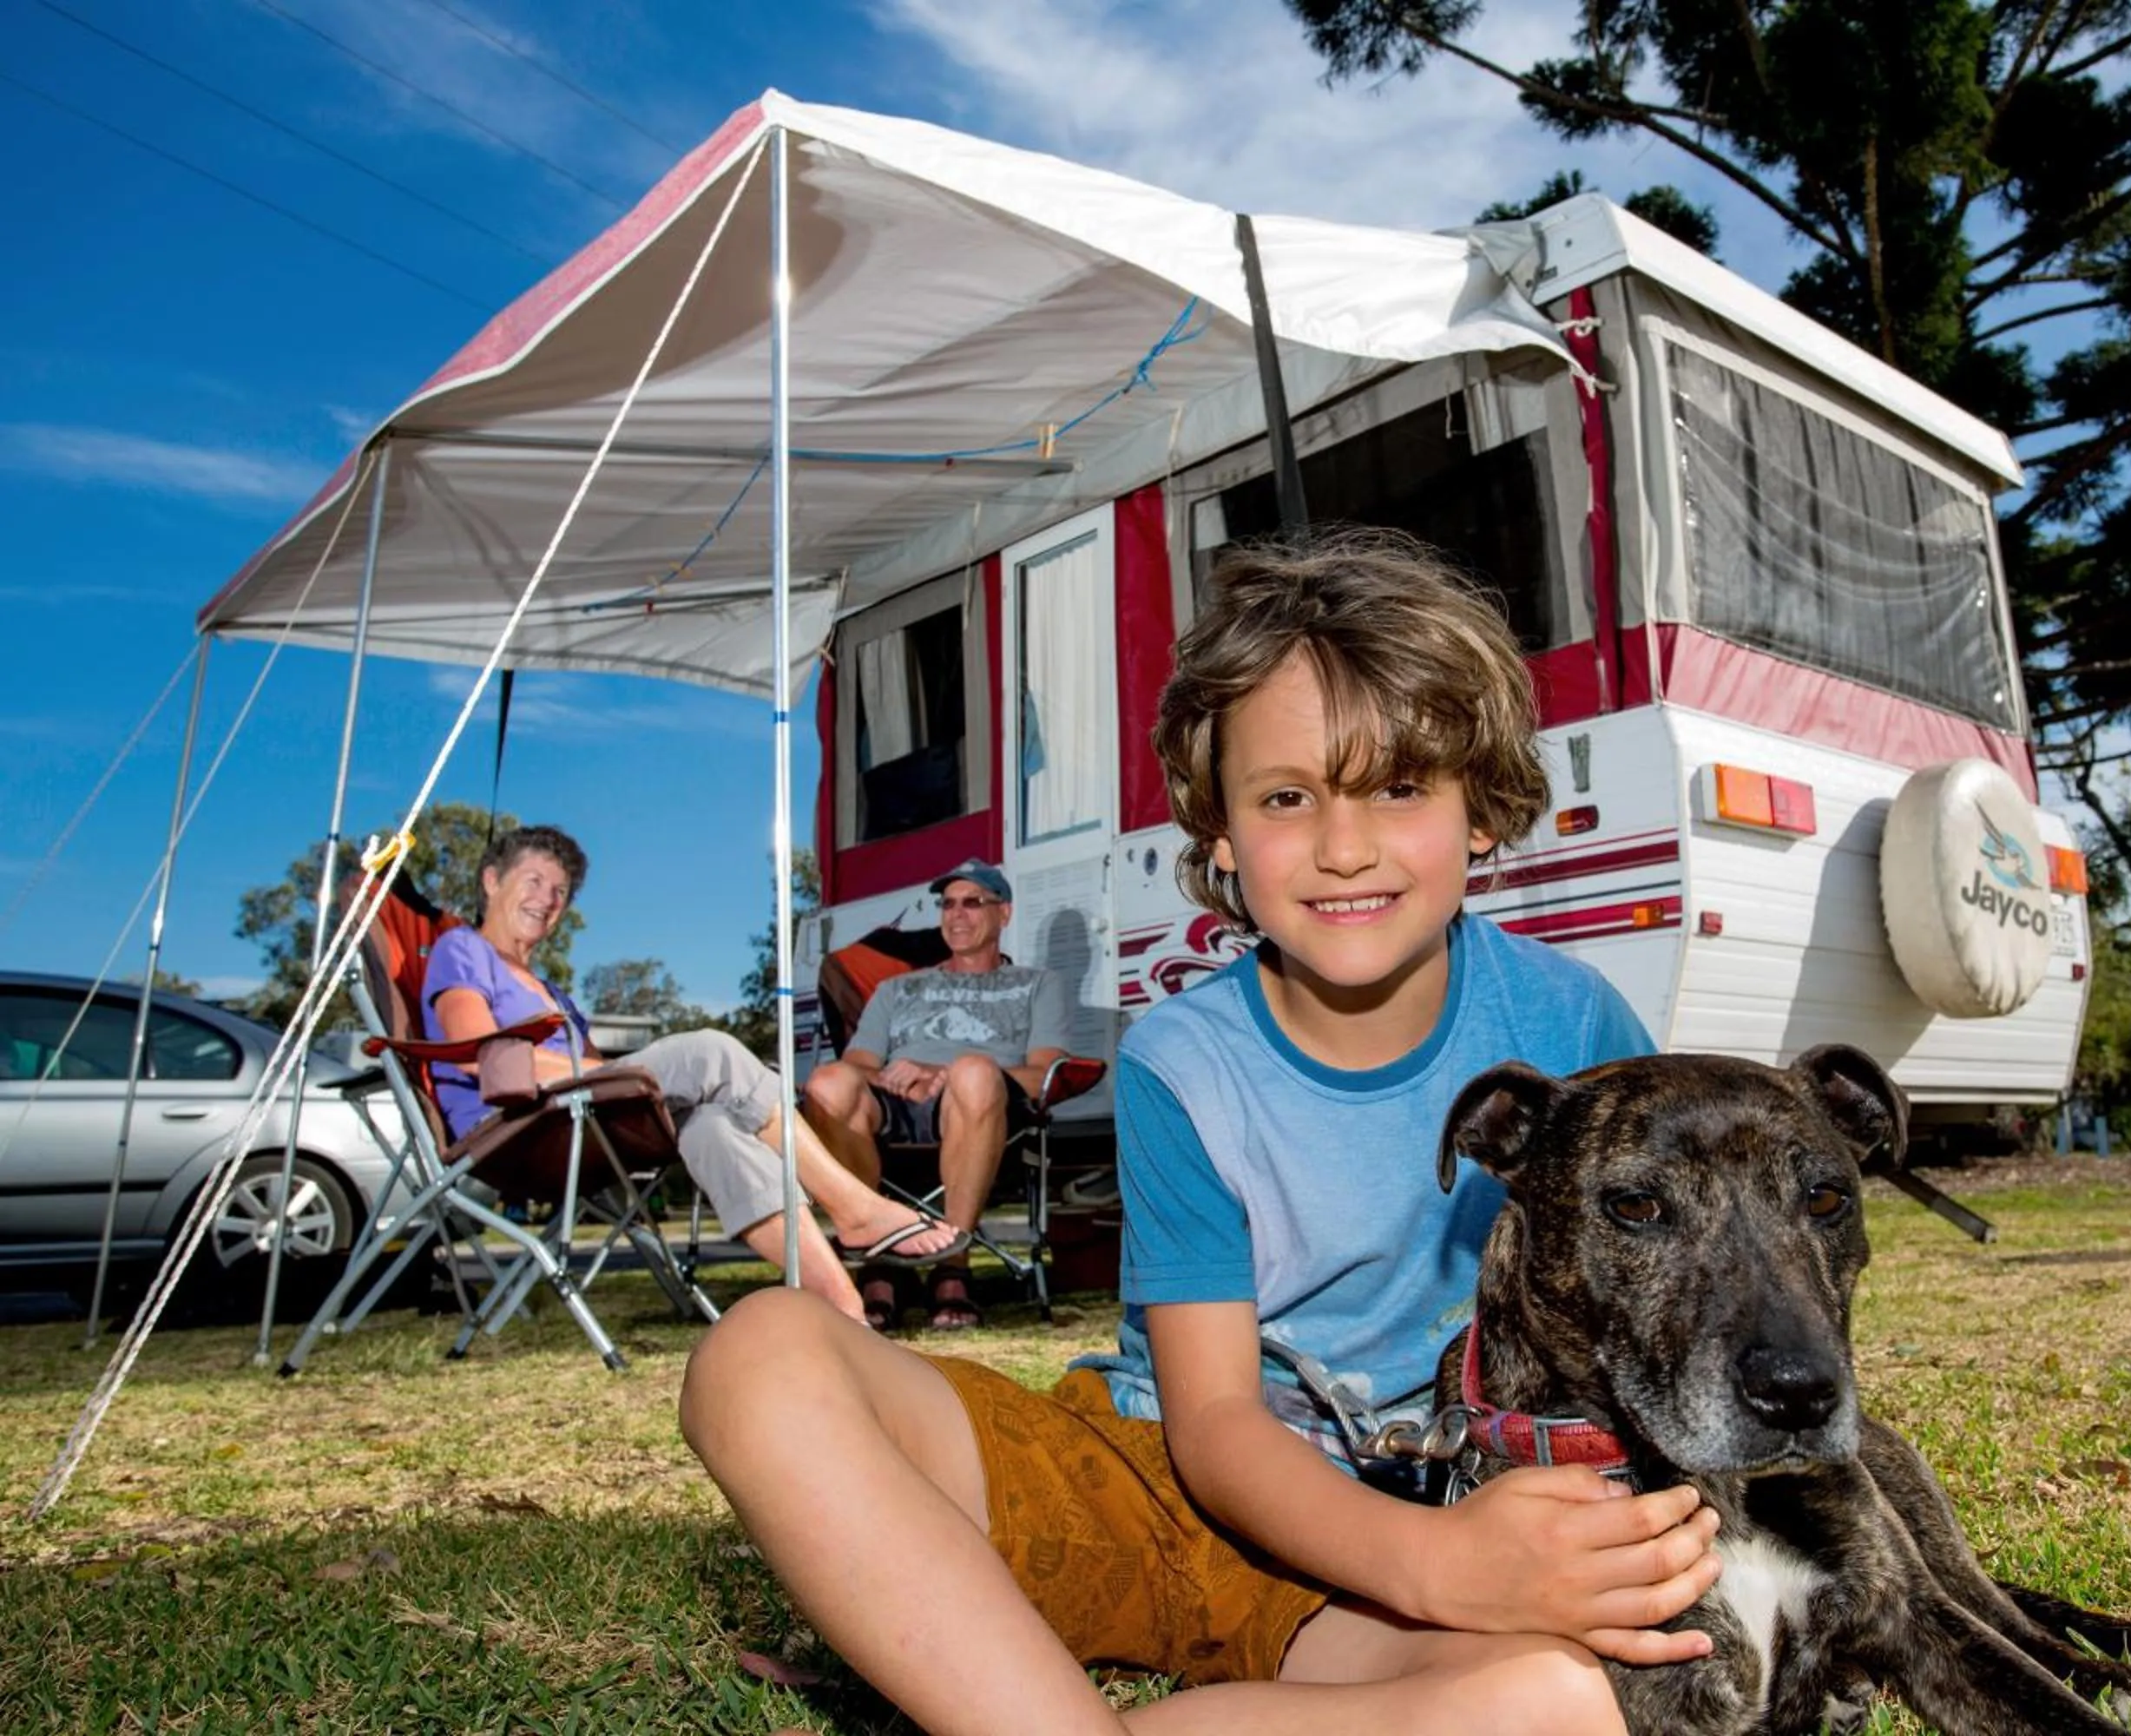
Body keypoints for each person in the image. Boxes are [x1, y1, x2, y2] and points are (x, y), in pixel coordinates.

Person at [680, 532, 1722, 1736]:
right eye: (1287, 797)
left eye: (1398, 788)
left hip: (1375, 1564)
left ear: (1481, 807)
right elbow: (1215, 1423)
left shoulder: (1574, 1026)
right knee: (759, 1352)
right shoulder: (1184, 1058)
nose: (1344, 847)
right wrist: (1439, 1567)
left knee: (1565, 1703)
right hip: (1150, 1479)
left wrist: (1469, 1556)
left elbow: (1677, 1312)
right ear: (1220, 833)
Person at [422, 825, 965, 1328]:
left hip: (574, 1123)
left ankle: (840, 1306)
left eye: (560, 890)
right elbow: (476, 1053)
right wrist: (616, 1074)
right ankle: (857, 1208)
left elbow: (592, 1075)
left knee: (711, 1126)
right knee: (711, 1052)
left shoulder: (552, 993)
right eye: (533, 881)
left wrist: (612, 1077)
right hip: (514, 1129)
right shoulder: (464, 949)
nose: (547, 899)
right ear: (491, 881)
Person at [800, 858, 1077, 1330]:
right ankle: (879, 1263)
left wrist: (943, 1073)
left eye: (972, 903)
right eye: (948, 905)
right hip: (893, 1108)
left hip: (980, 1109)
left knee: (973, 1070)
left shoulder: (1036, 985)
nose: (956, 915)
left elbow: (1046, 1074)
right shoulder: (897, 989)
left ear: (1004, 913)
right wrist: (896, 1078)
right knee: (827, 1082)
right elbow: (858, 1064)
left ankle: (953, 1266)